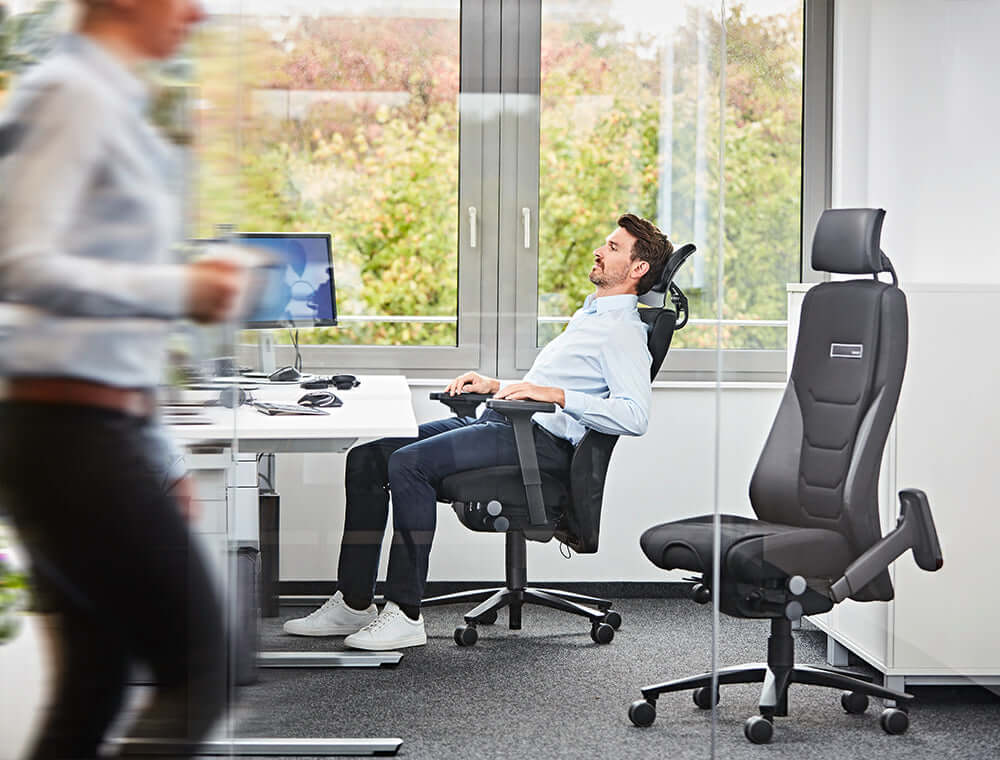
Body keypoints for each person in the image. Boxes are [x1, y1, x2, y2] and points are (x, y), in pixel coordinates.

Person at [0, 1, 245, 758]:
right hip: (64, 434)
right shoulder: (69, 93)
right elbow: (17, 261)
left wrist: (154, 443)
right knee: (203, 669)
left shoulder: (111, 102)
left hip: (92, 429)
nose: (198, 12)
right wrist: (181, 289)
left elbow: (107, 330)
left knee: (94, 687)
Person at [283, 213, 673, 650]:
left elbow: (634, 415)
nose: (600, 252)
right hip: (505, 422)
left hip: (537, 445)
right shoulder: (592, 315)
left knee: (407, 464)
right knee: (369, 456)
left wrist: (561, 396)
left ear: (638, 269)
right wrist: (496, 385)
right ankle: (353, 604)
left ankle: (404, 614)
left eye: (614, 248)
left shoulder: (622, 331)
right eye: (606, 243)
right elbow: (537, 390)